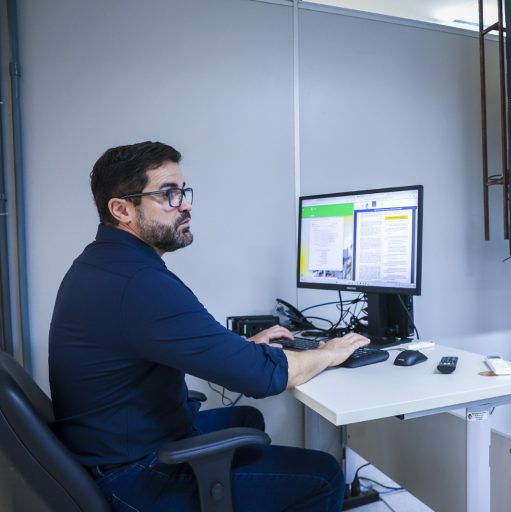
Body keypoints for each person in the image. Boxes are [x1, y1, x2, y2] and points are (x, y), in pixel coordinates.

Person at [48, 141, 370, 511]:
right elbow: (262, 378)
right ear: (122, 209)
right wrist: (327, 352)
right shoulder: (139, 283)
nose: (185, 204)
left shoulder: (104, 264)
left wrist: (245, 347)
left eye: (183, 191)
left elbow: (171, 340)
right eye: (168, 195)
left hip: (114, 450)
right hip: (133, 477)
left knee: (246, 419)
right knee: (322, 474)